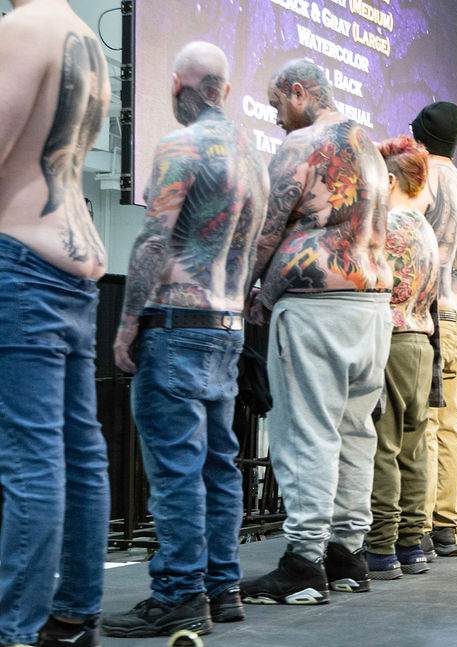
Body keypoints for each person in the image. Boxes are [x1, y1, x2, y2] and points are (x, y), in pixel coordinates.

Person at [103, 42, 269, 638]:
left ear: (180, 85)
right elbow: (257, 247)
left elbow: (154, 241)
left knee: (176, 469)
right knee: (218, 467)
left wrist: (127, 326)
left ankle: (178, 593)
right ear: (224, 89)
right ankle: (221, 588)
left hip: (177, 323)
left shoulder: (181, 145)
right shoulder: (253, 159)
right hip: (227, 328)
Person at [239, 59, 392, 604]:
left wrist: (245, 293)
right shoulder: (369, 147)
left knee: (307, 433)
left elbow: (266, 232)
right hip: (373, 305)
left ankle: (304, 562)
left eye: (278, 105)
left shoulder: (301, 145)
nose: (277, 118)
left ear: (299, 92)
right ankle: (347, 555)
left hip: (316, 307)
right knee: (355, 434)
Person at [0, 2, 110, 645]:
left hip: (22, 259)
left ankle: (15, 631)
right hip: (74, 265)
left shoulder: (22, 29)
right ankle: (72, 618)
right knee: (79, 452)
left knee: (32, 456)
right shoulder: (86, 38)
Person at [365, 136, 439, 578]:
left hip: (392, 341)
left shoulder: (388, 225)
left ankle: (381, 547)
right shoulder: (425, 230)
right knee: (413, 450)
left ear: (390, 180)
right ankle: (412, 543)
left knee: (384, 447)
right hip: (420, 345)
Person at [411, 101, 457, 556]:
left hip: (429, 314)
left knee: (425, 427)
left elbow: (408, 241)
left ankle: (419, 526)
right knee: (449, 426)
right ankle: (447, 526)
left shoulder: (425, 180)